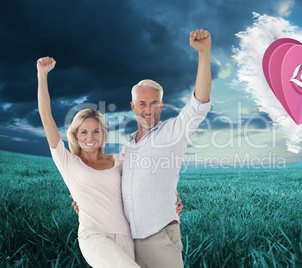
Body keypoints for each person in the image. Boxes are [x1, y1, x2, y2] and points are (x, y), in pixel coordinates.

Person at [36, 57, 182, 267]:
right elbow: (46, 116)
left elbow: (147, 180)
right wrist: (42, 75)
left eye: (96, 131)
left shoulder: (120, 160)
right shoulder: (68, 162)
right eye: (84, 132)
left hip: (126, 238)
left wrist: (169, 203)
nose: (90, 137)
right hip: (94, 235)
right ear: (75, 135)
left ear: (103, 134)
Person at [122, 29, 212, 267]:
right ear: (133, 106)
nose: (148, 110)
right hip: (128, 241)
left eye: (154, 103)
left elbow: (199, 104)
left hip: (159, 236)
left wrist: (204, 54)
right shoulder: (127, 148)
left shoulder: (173, 133)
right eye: (142, 104)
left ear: (161, 104)